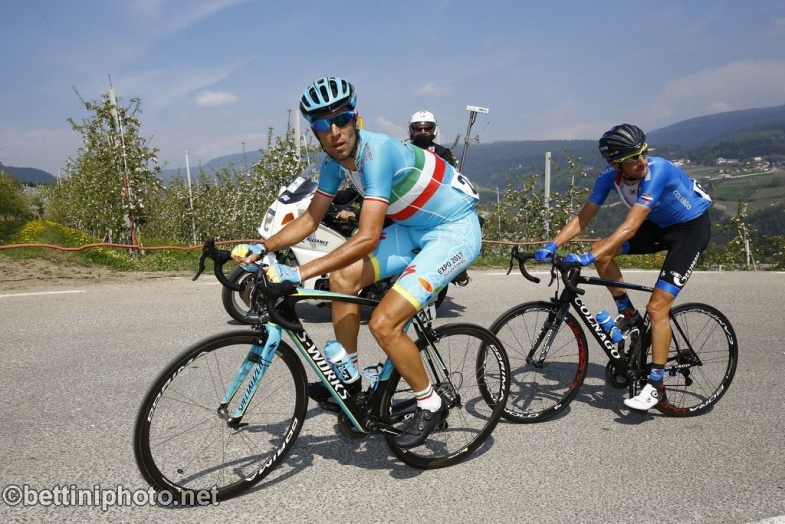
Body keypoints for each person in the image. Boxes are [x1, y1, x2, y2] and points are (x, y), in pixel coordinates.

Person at [232, 76, 482, 447]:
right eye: (323, 125)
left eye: (342, 119)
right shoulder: (334, 163)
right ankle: (348, 375)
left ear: (356, 118)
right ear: (315, 132)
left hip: (453, 231)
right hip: (412, 228)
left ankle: (429, 402)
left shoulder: (376, 153)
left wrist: (298, 272)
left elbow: (366, 237)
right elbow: (310, 219)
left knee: (383, 323)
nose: (334, 132)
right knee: (343, 278)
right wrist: (263, 247)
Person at [534, 123, 712, 411]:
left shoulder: (658, 170)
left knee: (657, 307)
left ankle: (655, 386)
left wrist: (586, 258)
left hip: (689, 230)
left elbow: (630, 227)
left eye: (643, 152)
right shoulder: (608, 177)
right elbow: (583, 218)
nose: (642, 160)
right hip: (658, 226)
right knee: (603, 253)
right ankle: (628, 314)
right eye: (633, 157)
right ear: (615, 163)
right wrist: (552, 244)